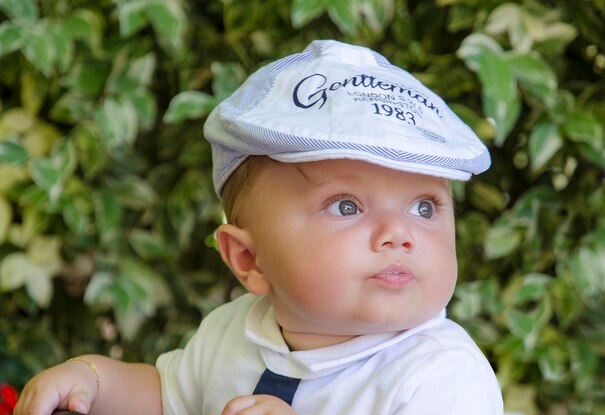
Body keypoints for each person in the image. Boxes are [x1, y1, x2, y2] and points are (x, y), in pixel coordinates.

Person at [15, 39, 503, 415]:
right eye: (347, 207)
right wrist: (93, 379)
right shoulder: (233, 331)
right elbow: (168, 398)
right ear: (248, 260)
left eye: (424, 207)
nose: (399, 234)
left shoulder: (440, 375)